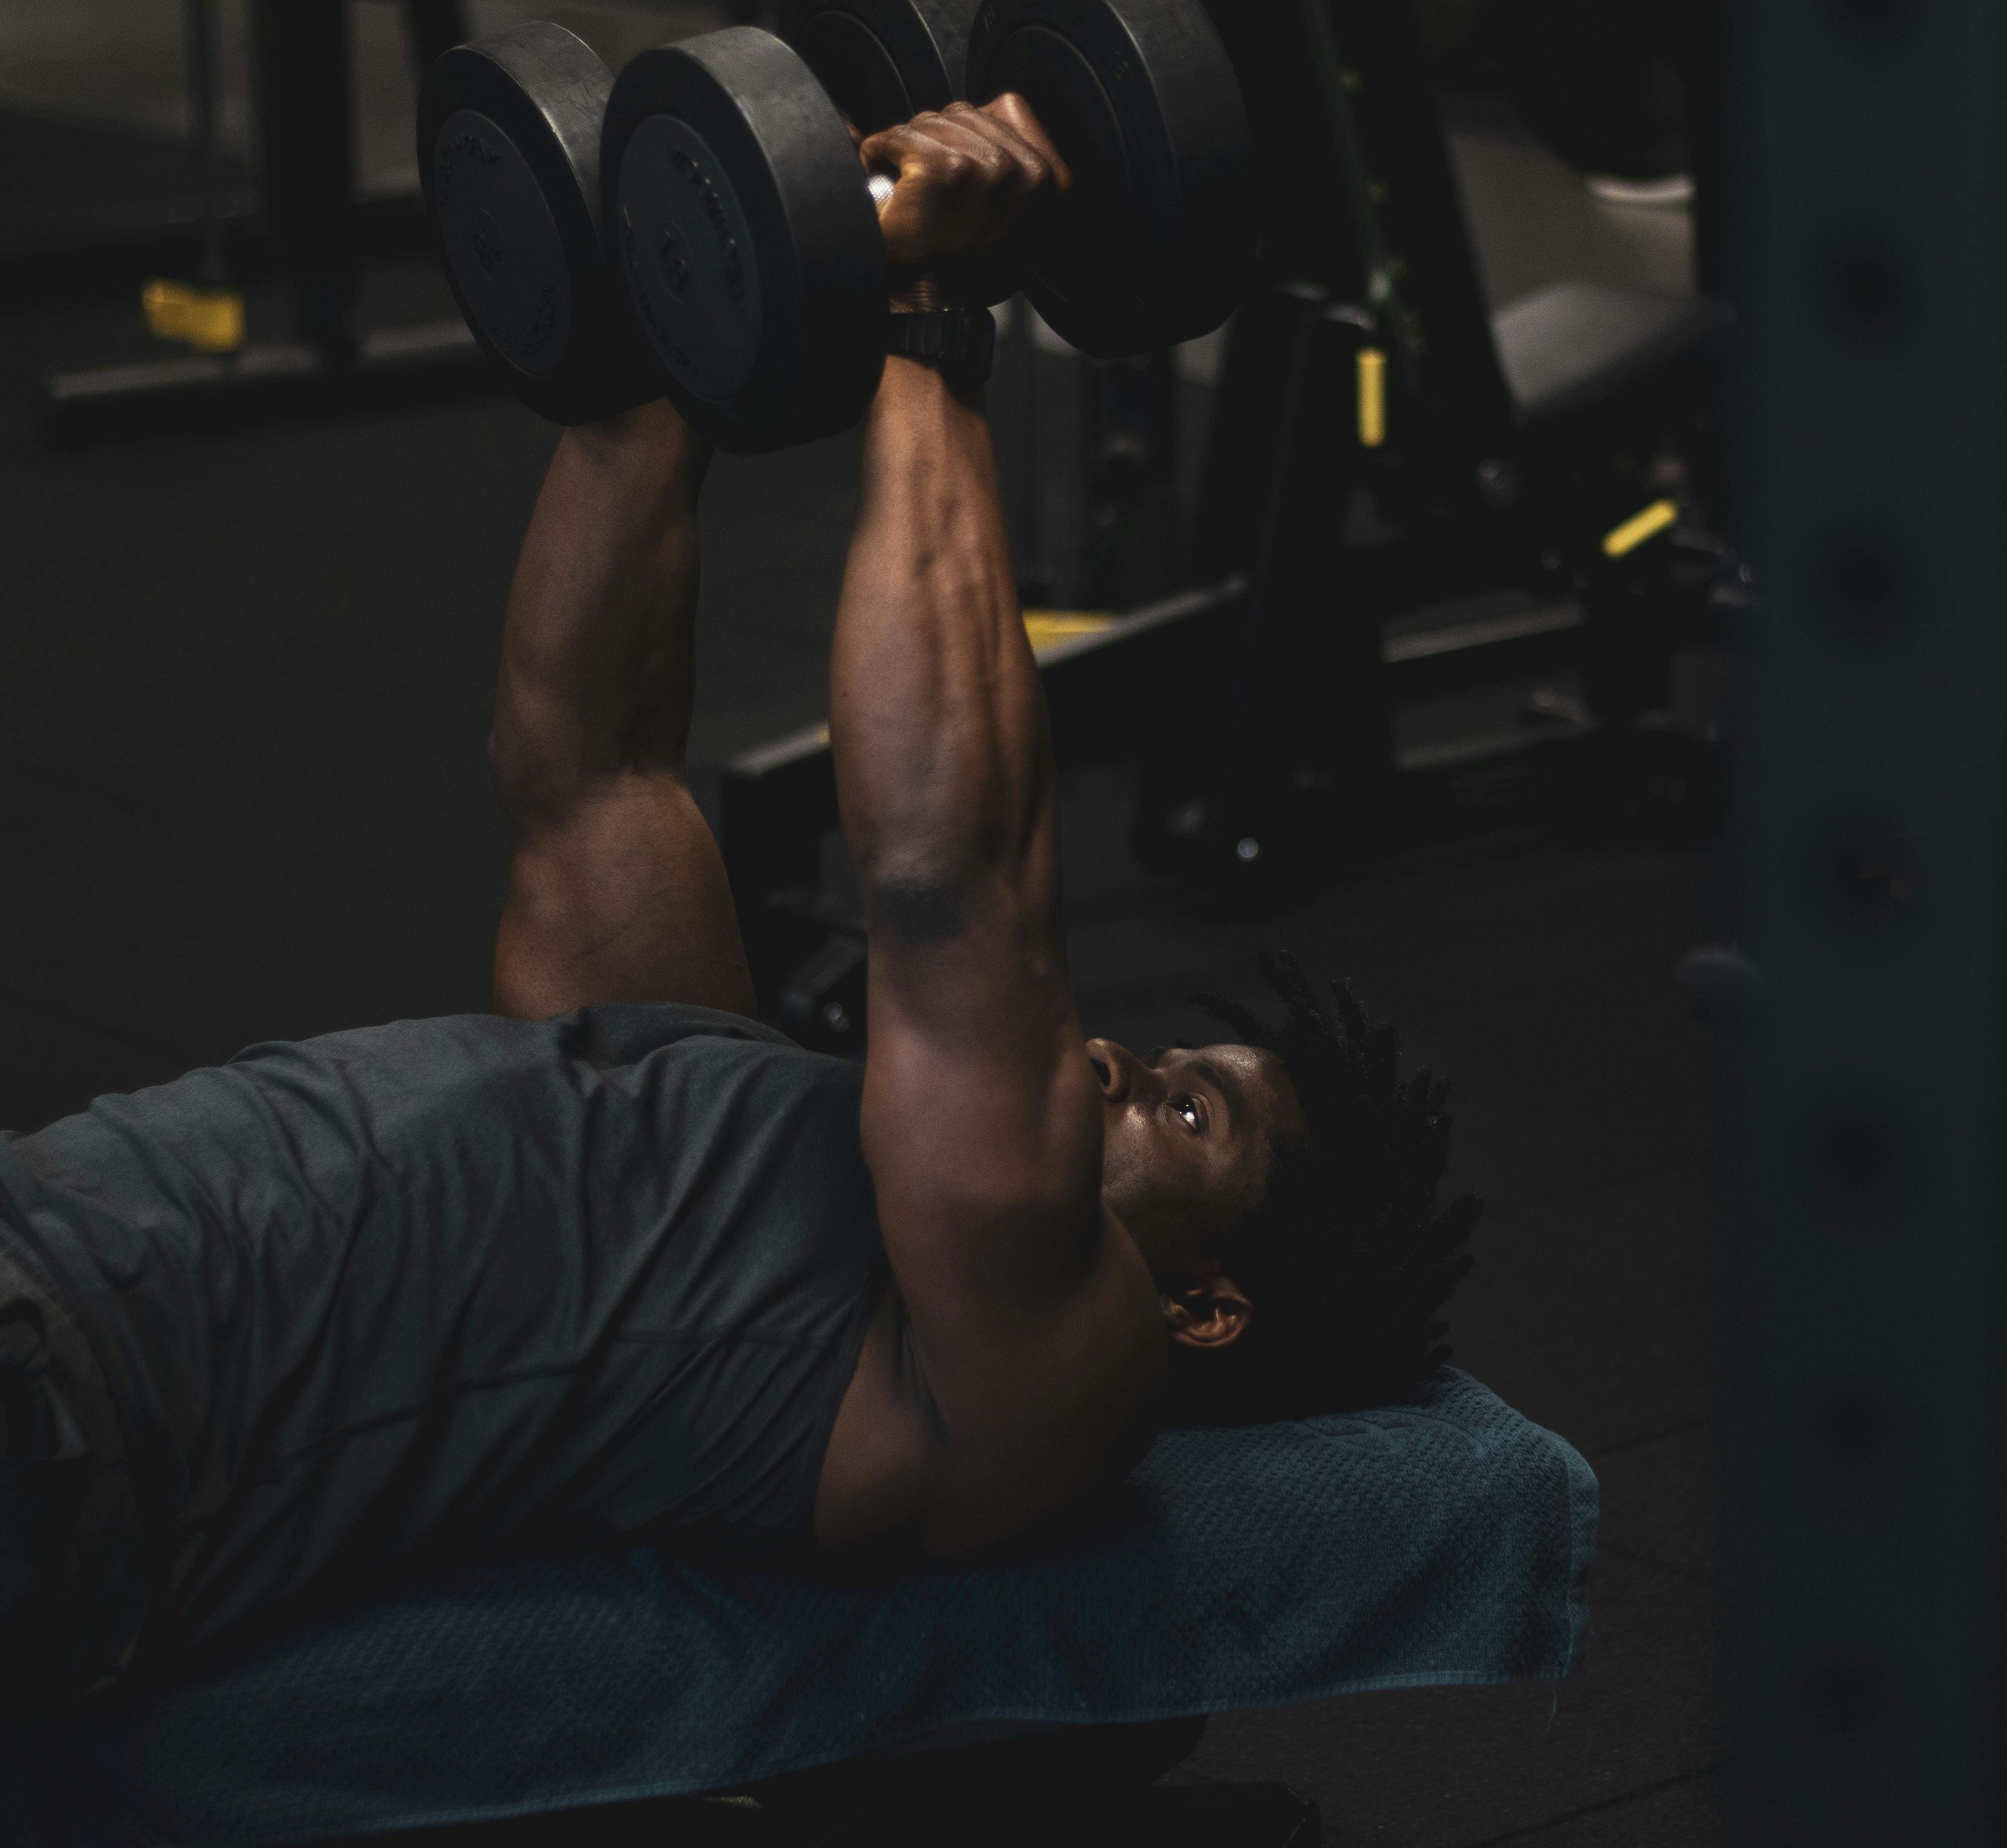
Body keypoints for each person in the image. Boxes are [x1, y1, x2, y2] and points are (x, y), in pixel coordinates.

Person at [0, 98, 1477, 1716]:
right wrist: (671, 343)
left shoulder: (1054, 1372)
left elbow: (947, 889)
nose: (1123, 1063)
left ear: (1206, 1305)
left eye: (1192, 1118)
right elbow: (586, 766)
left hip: (84, 1415)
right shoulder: (719, 1090)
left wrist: (930, 327)